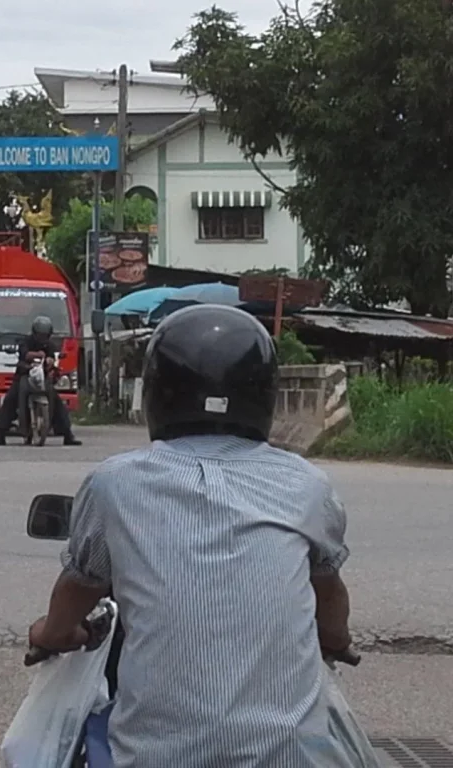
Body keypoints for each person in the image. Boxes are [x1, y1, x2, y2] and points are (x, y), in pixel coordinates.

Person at [26, 304, 358, 767]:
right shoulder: (307, 485)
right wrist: (337, 641)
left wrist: (52, 633)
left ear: (158, 394)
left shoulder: (115, 483)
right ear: (265, 395)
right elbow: (329, 596)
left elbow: (78, 589)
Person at [0, 316, 81, 446]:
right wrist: (37, 355)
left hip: (42, 377)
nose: (42, 338)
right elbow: (24, 354)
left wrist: (50, 361)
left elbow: (53, 357)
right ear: (34, 333)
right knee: (10, 400)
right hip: (24, 376)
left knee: (58, 403)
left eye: (45, 335)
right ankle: (0, 434)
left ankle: (67, 434)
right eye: (40, 335)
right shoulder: (26, 342)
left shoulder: (50, 345)